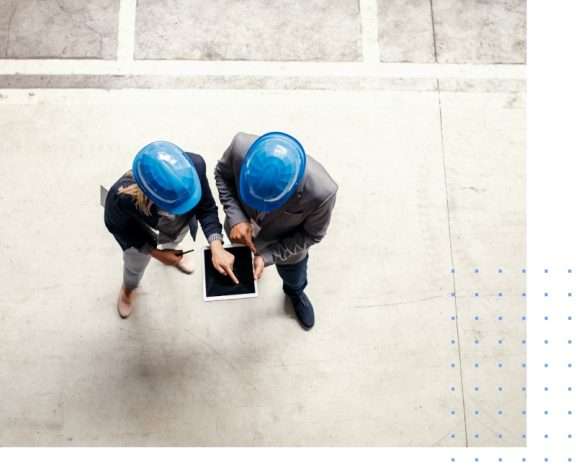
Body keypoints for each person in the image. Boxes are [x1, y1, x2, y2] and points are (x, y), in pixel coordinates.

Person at [215, 132, 338, 330]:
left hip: (286, 248)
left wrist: (269, 256)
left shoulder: (322, 192)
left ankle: (295, 293)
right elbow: (222, 175)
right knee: (239, 264)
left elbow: (312, 235)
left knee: (294, 276)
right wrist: (236, 217)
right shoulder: (239, 146)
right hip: (240, 231)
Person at [105, 141, 238, 318]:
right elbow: (119, 228)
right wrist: (155, 252)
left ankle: (173, 254)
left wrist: (216, 246)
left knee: (175, 241)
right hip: (141, 232)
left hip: (176, 228)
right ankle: (129, 288)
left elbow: (205, 207)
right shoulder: (120, 197)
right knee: (134, 263)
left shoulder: (196, 165)